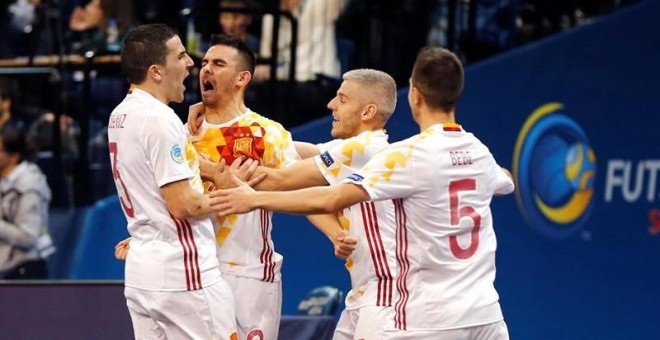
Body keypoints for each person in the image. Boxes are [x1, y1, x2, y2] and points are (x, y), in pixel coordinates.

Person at [214, 47, 515, 339]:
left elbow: (309, 190)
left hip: (399, 299)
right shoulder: (477, 151)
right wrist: (229, 131)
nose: (331, 104)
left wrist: (229, 180)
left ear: (414, 94)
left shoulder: (399, 155)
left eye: (341, 99)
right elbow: (505, 179)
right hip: (479, 308)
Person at [249, 68, 400, 339]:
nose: (331, 104)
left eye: (342, 99)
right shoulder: (357, 150)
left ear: (367, 112)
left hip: (387, 295)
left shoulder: (364, 148)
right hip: (364, 294)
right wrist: (335, 232)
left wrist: (207, 162)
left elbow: (281, 180)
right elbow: (307, 172)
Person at [107, 23, 236, 339]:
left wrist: (211, 171)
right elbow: (183, 204)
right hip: (184, 273)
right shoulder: (160, 119)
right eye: (180, 56)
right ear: (156, 71)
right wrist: (236, 197)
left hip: (143, 272)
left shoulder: (121, 115)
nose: (191, 63)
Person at [0, 126, 54, 280]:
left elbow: (28, 237)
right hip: (5, 270)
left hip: (25, 271)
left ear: (14, 156)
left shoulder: (30, 185)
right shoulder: (3, 181)